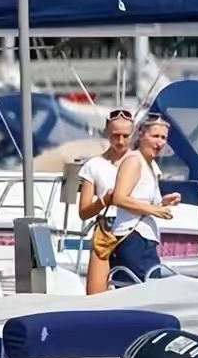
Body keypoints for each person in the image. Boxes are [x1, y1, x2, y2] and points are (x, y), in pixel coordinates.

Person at [109, 113, 182, 286]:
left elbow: (140, 199)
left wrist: (163, 203)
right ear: (141, 135)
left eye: (163, 138)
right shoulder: (134, 161)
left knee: (149, 289)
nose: (160, 142)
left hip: (145, 239)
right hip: (132, 237)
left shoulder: (150, 165)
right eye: (155, 136)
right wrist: (154, 210)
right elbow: (119, 198)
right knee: (137, 291)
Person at [78, 108, 134, 294]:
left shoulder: (143, 163)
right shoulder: (93, 166)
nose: (120, 141)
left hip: (133, 229)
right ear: (107, 133)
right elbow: (84, 211)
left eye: (126, 136)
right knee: (95, 295)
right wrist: (104, 200)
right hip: (105, 229)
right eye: (115, 135)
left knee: (134, 291)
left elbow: (152, 199)